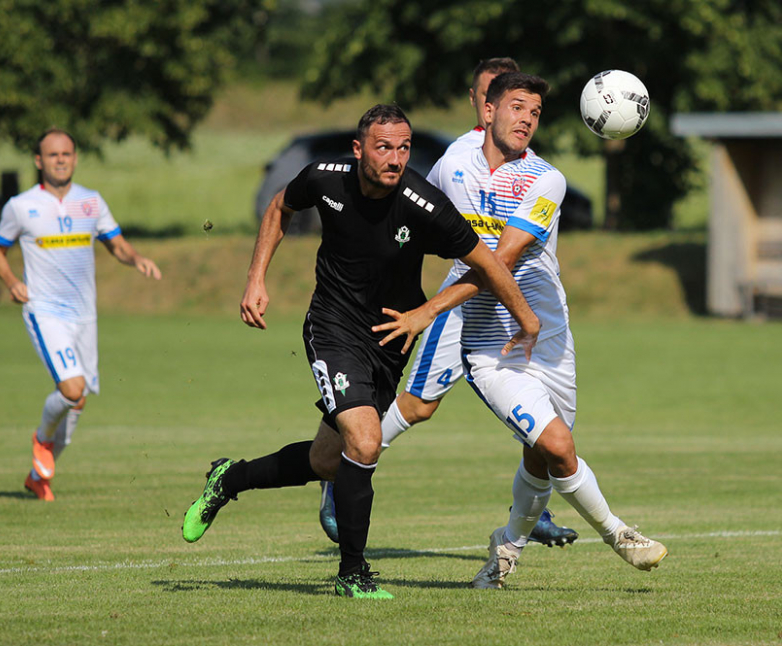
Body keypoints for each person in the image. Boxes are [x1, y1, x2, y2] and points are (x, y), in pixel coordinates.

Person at [181, 104, 540, 600]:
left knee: (328, 460)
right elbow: (279, 206)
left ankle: (229, 478)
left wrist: (465, 314)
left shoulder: (423, 203)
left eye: (403, 148)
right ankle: (353, 574)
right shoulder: (325, 179)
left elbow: (489, 263)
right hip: (331, 328)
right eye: (383, 147)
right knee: (366, 442)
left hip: (390, 340)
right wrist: (256, 277)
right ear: (358, 149)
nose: (395, 158)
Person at [405, 72, 669, 587]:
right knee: (558, 445)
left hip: (549, 341)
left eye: (536, 112)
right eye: (517, 106)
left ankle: (505, 551)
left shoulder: (546, 180)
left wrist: (429, 309)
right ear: (487, 112)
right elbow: (412, 224)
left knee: (542, 457)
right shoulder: (451, 168)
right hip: (491, 351)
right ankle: (620, 534)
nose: (527, 117)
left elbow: (499, 261)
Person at [317, 57, 578, 549]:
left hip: (514, 304)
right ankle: (343, 465)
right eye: (486, 97)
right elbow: (411, 214)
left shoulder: (535, 171)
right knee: (417, 405)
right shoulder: (456, 159)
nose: (491, 107)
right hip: (460, 303)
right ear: (480, 103)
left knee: (541, 413)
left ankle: (531, 511)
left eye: (520, 105)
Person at [0, 128, 162, 501]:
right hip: (45, 310)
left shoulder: (91, 202)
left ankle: (38, 476)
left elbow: (116, 244)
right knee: (72, 389)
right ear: (39, 161)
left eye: (66, 153)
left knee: (78, 400)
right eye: (52, 155)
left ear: (75, 158)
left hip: (85, 315)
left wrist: (138, 259)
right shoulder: (20, 206)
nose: (60, 159)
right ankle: (41, 439)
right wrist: (11, 282)